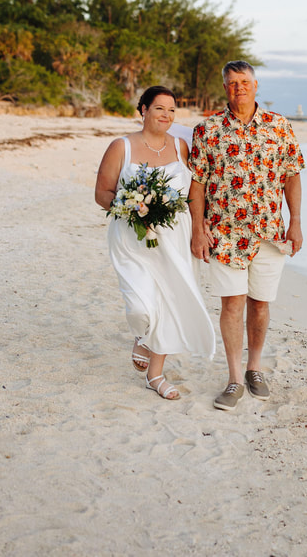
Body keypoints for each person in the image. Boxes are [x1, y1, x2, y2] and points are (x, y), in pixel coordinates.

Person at [189, 61, 304, 411]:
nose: (239, 87)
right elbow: (197, 183)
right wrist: (197, 230)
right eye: (232, 83)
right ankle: (235, 378)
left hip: (270, 232)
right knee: (232, 304)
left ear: (256, 85)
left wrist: (295, 221)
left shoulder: (278, 126)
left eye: (244, 82)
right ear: (225, 88)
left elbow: (292, 175)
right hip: (223, 233)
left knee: (260, 303)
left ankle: (255, 368)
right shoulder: (208, 130)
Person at [95, 86, 216, 400]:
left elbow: (194, 193)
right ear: (144, 110)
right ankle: (142, 334)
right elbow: (102, 192)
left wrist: (200, 230)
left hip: (176, 235)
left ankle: (156, 375)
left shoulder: (181, 147)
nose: (167, 115)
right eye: (160, 108)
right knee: (141, 306)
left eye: (172, 110)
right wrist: (131, 205)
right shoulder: (121, 146)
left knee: (169, 301)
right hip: (132, 236)